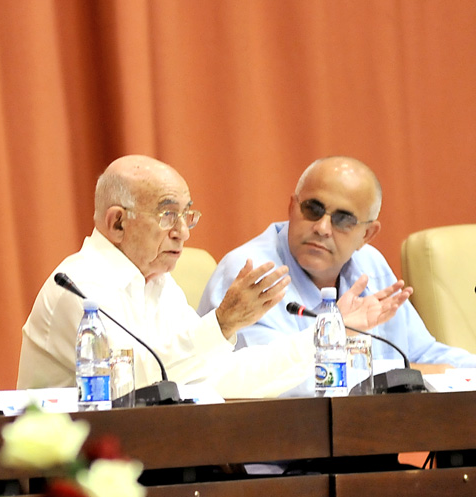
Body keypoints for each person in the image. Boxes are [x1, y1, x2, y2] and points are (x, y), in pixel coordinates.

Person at [16, 154, 408, 397]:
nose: (183, 232)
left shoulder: (160, 286)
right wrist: (221, 324)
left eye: (188, 216)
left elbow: (222, 375)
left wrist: (329, 334)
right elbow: (136, 387)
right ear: (117, 223)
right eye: (169, 215)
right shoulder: (79, 286)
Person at [198, 156, 476, 395]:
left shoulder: (369, 265)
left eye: (343, 219)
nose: (322, 227)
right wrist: (407, 372)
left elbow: (423, 353)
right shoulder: (252, 271)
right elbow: (281, 382)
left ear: (367, 234)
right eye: (313, 209)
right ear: (292, 208)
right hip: (269, 451)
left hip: (358, 443)